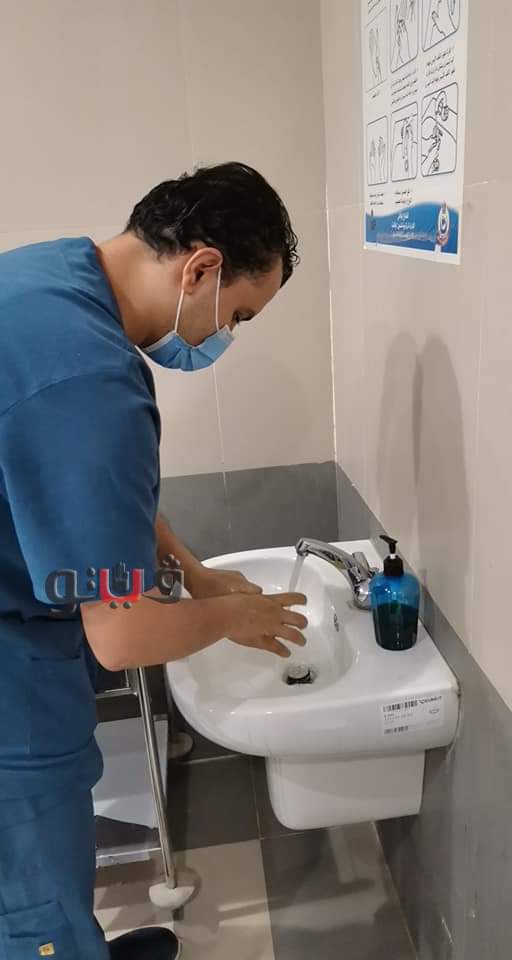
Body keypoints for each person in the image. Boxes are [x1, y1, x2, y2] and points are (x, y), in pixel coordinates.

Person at [0, 162, 308, 959]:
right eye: (237, 314)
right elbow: (124, 636)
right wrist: (229, 614)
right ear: (200, 268)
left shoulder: (53, 279)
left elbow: (92, 491)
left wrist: (191, 570)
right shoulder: (94, 380)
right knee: (31, 896)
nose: (223, 337)